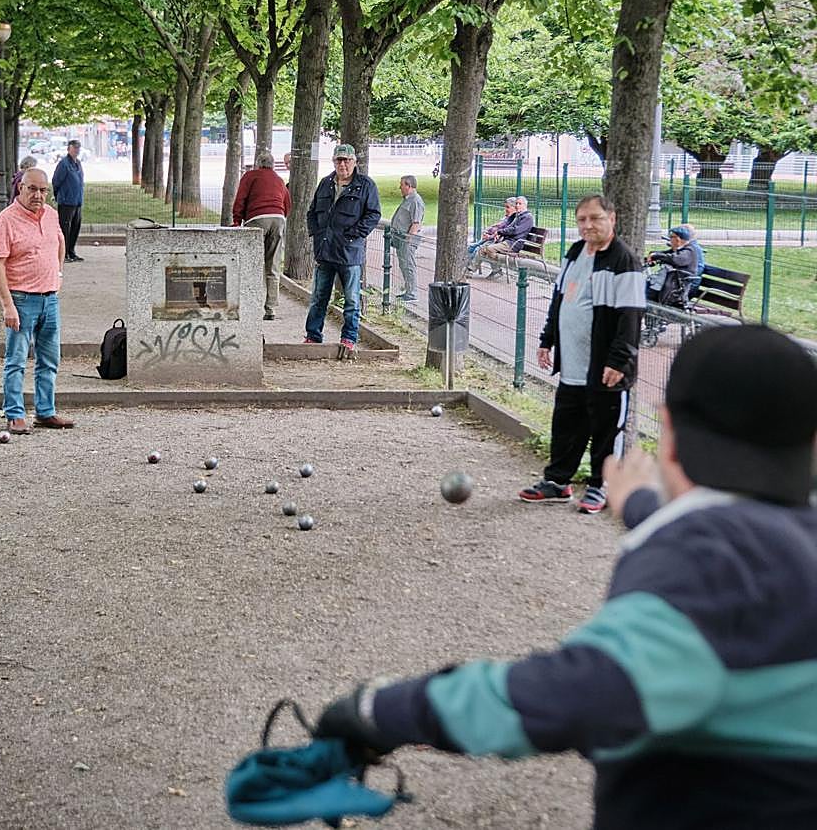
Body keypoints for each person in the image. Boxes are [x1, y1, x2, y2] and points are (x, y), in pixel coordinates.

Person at [312, 323, 817, 830]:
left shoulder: (709, 568)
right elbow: (742, 540)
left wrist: (383, 712)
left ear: (669, 435)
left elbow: (582, 694)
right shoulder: (789, 542)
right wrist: (639, 504)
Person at [519, 193, 644, 514]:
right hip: (573, 364)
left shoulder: (623, 260)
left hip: (605, 366)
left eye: (595, 218)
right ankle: (557, 481)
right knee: (566, 425)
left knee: (605, 430)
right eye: (582, 220)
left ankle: (602, 486)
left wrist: (619, 360)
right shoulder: (575, 252)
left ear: (611, 219)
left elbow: (630, 316)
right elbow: (560, 298)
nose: (588, 225)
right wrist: (547, 339)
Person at [0, 168, 75, 434]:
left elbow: (60, 242)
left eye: (43, 190)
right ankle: (14, 414)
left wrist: (58, 274)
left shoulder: (51, 215)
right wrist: (7, 305)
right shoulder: (5, 220)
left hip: (50, 298)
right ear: (20, 188)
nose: (38, 195)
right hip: (21, 299)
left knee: (49, 359)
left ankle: (45, 411)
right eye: (32, 189)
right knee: (16, 360)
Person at [303, 144, 381, 358]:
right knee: (319, 297)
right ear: (334, 162)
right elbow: (312, 212)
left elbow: (373, 215)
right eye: (339, 160)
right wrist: (316, 233)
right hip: (325, 251)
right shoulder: (325, 183)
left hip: (349, 254)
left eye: (347, 160)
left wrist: (354, 235)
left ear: (354, 162)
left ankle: (349, 338)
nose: (343, 164)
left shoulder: (366, 185)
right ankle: (313, 335)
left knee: (352, 300)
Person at [232, 151, 292, 320]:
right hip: (278, 218)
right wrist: (279, 217)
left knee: (252, 263)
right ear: (272, 165)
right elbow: (287, 204)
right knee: (273, 265)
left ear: (258, 164)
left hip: (257, 219)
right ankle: (271, 309)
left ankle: (251, 305)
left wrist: (237, 220)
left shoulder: (250, 176)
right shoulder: (279, 180)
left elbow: (240, 199)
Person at [646, 223, 703, 306]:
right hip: (668, 283)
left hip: (675, 288)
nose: (669, 239)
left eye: (671, 237)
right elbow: (665, 254)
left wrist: (656, 255)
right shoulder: (681, 249)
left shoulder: (690, 251)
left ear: (678, 239)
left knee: (645, 293)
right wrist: (653, 255)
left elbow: (675, 259)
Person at [477, 195, 534, 279]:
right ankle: (470, 270)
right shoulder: (518, 215)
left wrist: (500, 232)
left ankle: (497, 268)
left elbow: (515, 230)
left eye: (520, 204)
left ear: (525, 205)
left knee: (489, 249)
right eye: (516, 203)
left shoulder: (527, 217)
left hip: (513, 244)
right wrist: (499, 233)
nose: (517, 205)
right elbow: (508, 227)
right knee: (482, 249)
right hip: (507, 241)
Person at [389, 175, 425, 301]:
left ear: (408, 186)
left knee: (408, 265)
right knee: (404, 265)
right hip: (402, 238)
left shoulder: (415, 201)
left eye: (402, 185)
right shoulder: (408, 199)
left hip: (408, 239)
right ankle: (408, 290)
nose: (400, 187)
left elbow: (416, 223)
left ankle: (412, 293)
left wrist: (408, 240)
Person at [52, 138, 85, 262]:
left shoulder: (78, 163)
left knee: (75, 227)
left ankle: (71, 251)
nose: (76, 150)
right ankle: (64, 253)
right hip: (66, 201)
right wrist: (58, 195)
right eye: (74, 147)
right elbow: (56, 181)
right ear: (68, 149)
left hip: (77, 201)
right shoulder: (64, 164)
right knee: (65, 228)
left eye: (78, 148)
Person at [466, 197, 516, 271]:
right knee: (471, 247)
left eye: (507, 207)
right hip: (490, 238)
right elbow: (495, 226)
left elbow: (502, 232)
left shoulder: (513, 219)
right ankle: (466, 267)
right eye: (505, 207)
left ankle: (470, 269)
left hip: (497, 241)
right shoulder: (506, 217)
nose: (505, 209)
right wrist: (486, 232)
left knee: (479, 249)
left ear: (514, 207)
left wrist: (489, 236)